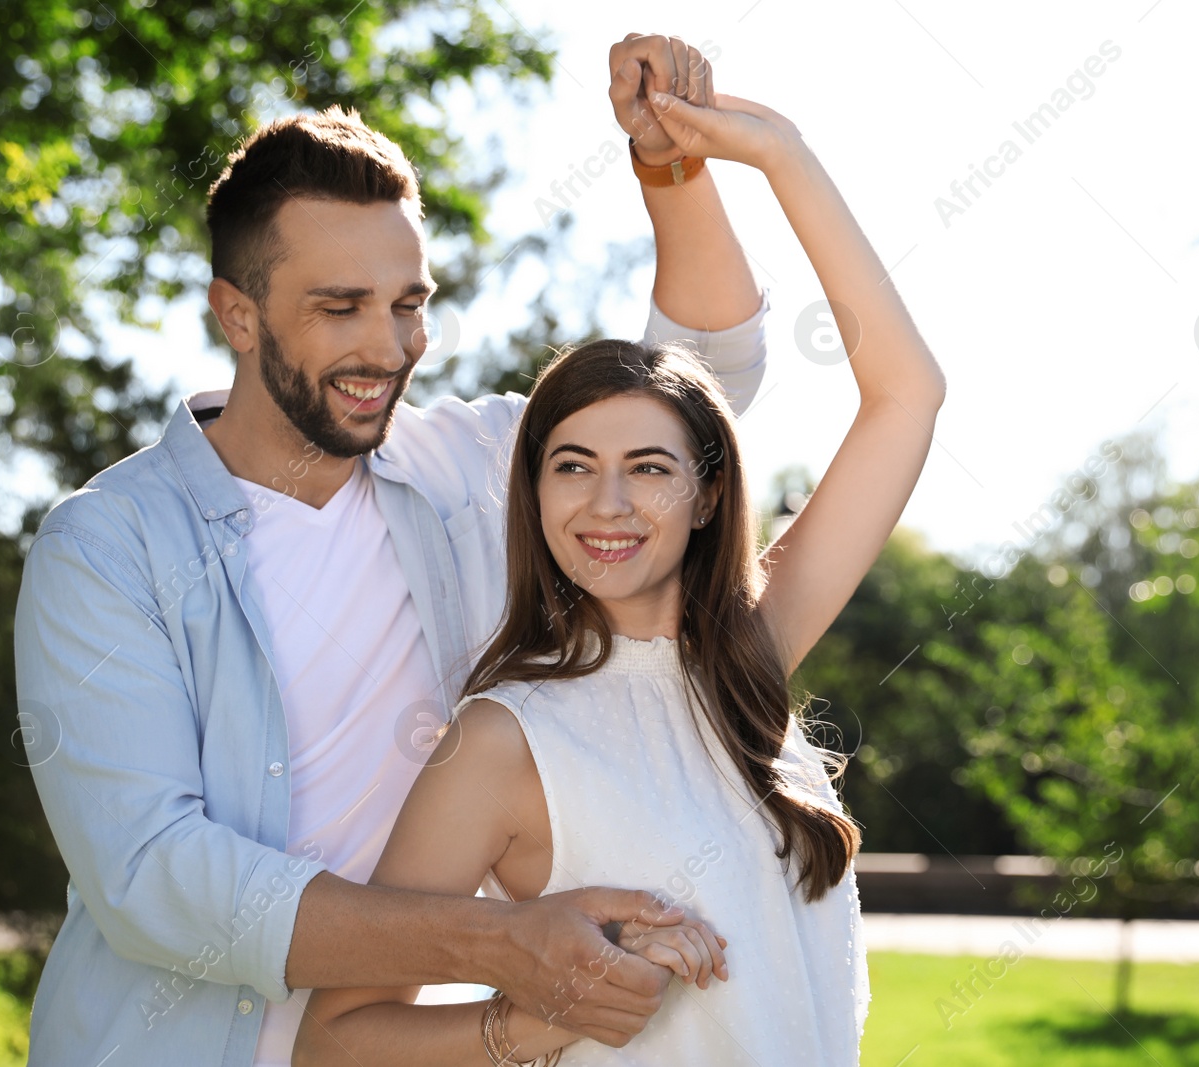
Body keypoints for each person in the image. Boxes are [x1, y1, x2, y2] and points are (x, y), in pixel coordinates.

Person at [13, 36, 771, 1066]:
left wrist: (669, 166)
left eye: (408, 303)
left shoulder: (472, 467)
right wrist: (502, 941)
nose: (388, 346)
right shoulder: (106, 548)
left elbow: (705, 378)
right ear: (236, 314)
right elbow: (154, 878)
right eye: (341, 308)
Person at [292, 88, 948, 1066]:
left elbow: (907, 391)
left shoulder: (750, 657)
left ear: (707, 495)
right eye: (570, 464)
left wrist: (778, 151)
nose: (606, 502)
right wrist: (539, 1017)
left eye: (647, 467)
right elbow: (335, 1042)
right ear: (532, 493)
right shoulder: (501, 739)